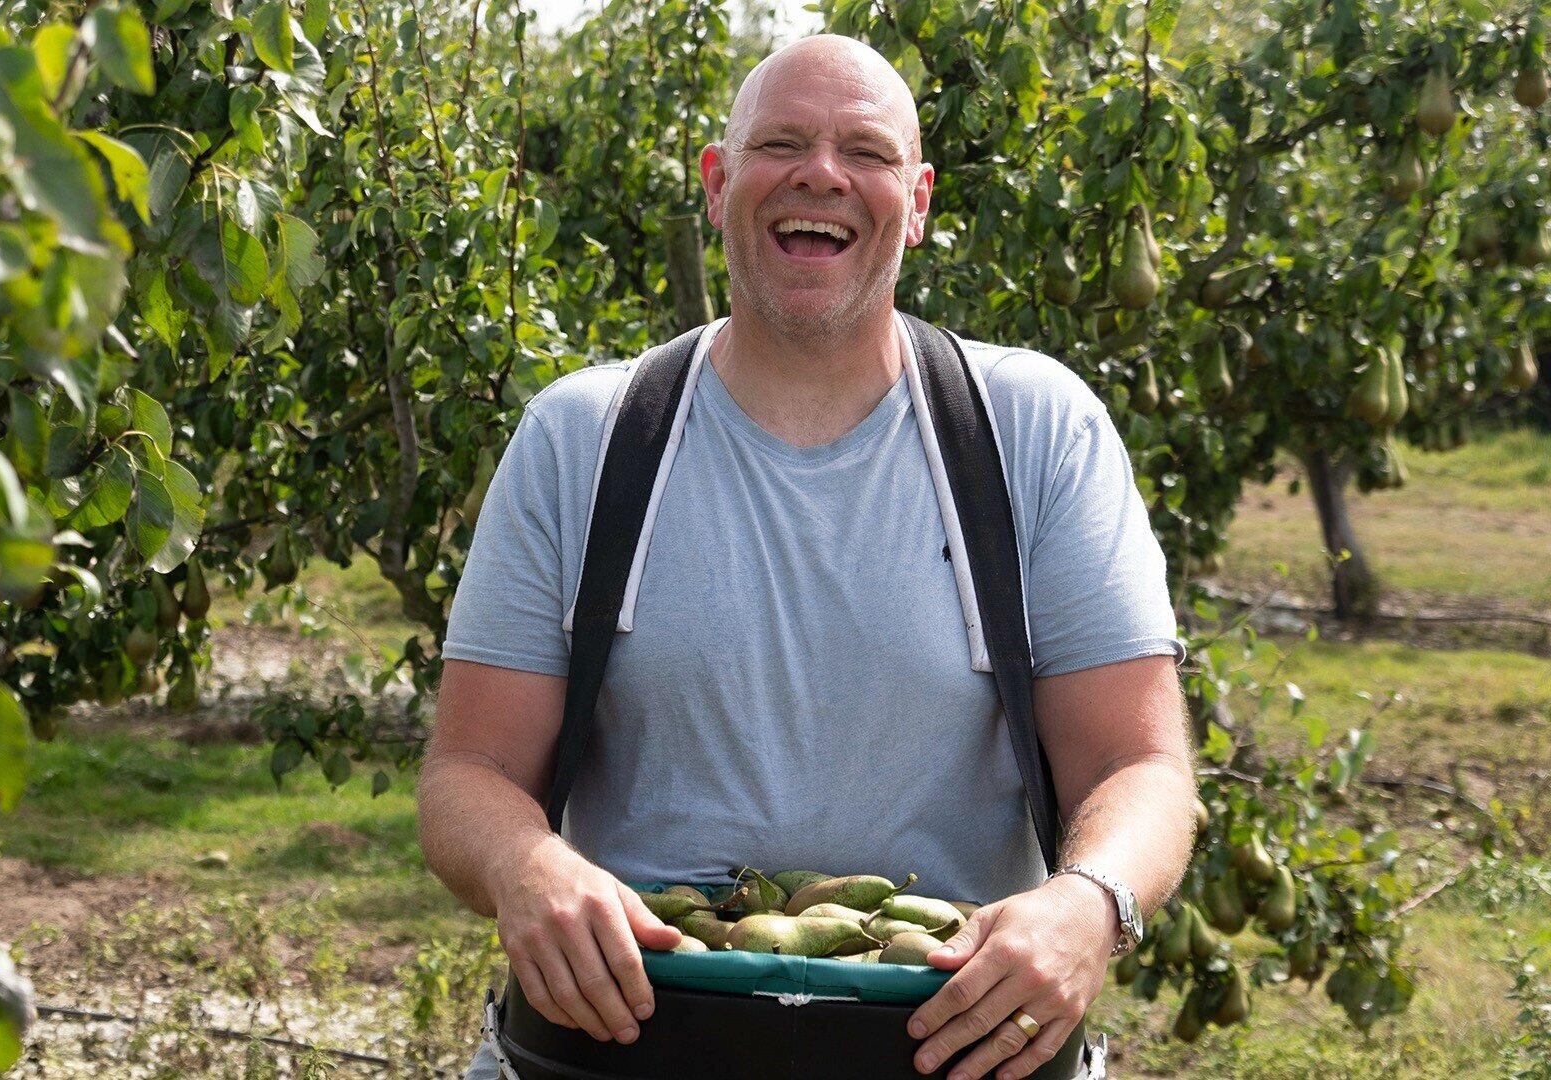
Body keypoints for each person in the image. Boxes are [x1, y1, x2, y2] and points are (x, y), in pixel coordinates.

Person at [418, 32, 1195, 1080]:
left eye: (865, 153)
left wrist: (1089, 906)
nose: (820, 174)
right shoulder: (585, 439)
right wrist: (526, 867)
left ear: (916, 201)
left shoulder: (1032, 432)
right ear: (717, 182)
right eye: (780, 142)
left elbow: (1137, 765)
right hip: (633, 1039)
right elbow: (472, 770)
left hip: (952, 1043)